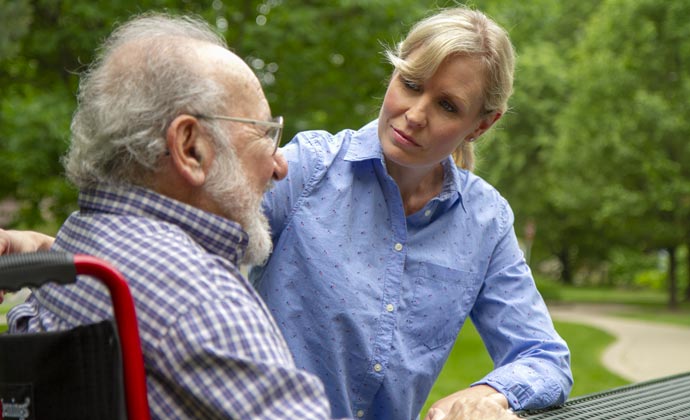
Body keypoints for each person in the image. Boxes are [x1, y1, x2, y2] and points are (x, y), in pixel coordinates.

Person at [1, 6, 572, 420]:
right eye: (410, 83)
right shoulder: (305, 170)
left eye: (446, 105)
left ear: (481, 124)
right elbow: (171, 245)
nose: (414, 113)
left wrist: (494, 393)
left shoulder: (485, 222)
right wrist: (53, 252)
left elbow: (544, 356)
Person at [2, 12, 342, 420]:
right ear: (190, 147)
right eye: (264, 133)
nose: (280, 166)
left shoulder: (73, 254)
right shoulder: (203, 299)